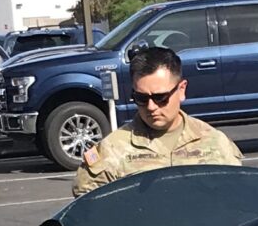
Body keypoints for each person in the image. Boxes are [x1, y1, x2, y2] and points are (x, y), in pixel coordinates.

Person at [70, 46, 243, 198]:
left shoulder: (216, 143)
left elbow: (236, 200)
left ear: (181, 90)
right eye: (141, 98)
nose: (151, 107)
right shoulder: (111, 150)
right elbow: (89, 212)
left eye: (161, 97)